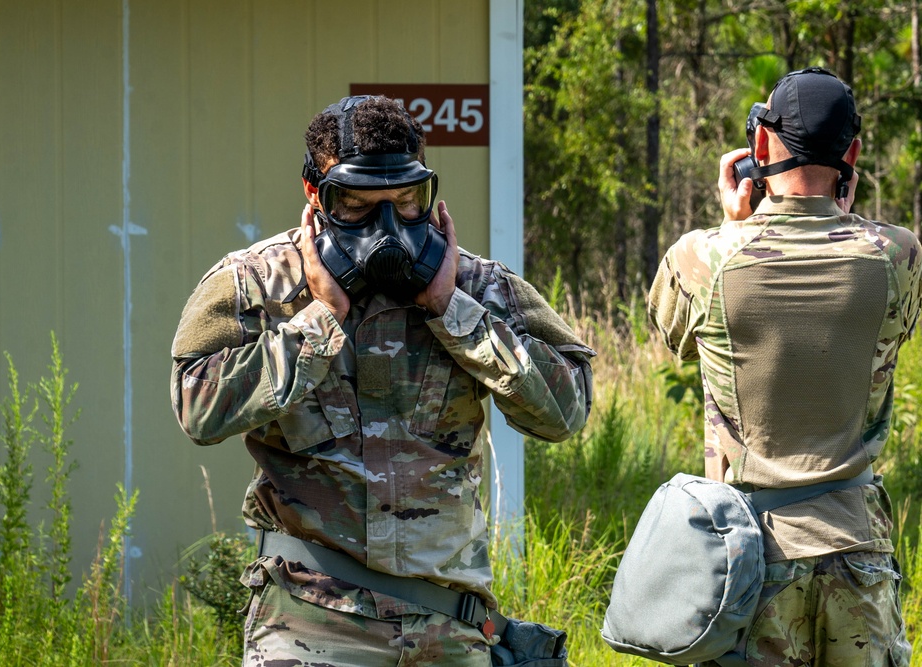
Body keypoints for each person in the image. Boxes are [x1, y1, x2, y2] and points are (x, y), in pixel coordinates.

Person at [170, 95, 594, 666]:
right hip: (309, 623)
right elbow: (198, 410)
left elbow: (566, 411)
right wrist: (319, 321)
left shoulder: (476, 287)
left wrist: (454, 312)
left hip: (448, 628)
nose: (387, 227)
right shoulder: (256, 285)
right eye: (358, 205)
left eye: (406, 202)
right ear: (314, 194)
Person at [649, 67, 918, 667]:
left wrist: (732, 224)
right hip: (857, 548)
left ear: (761, 146)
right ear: (851, 155)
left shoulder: (704, 257)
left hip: (748, 556)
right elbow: (890, 334)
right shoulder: (898, 254)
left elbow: (672, 335)